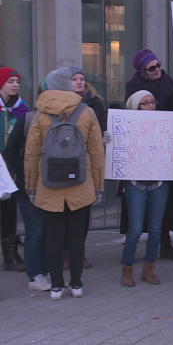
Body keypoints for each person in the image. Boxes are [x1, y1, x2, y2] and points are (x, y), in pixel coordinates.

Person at [24, 67, 105, 301]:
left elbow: (31, 154)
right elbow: (96, 151)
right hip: (81, 182)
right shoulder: (86, 112)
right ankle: (77, 284)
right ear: (68, 85)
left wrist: (31, 186)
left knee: (53, 237)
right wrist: (98, 184)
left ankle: (57, 285)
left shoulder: (40, 114)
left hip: (48, 184)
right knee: (76, 237)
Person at [124, 49, 173, 262]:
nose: (157, 70)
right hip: (142, 150)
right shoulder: (133, 87)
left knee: (166, 200)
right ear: (143, 71)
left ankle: (165, 243)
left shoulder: (169, 83)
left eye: (158, 65)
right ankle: (131, 256)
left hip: (165, 146)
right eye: (152, 68)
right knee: (140, 203)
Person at [115, 90, 170, 287]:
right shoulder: (127, 127)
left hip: (159, 182)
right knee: (136, 228)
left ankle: (149, 268)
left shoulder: (164, 124)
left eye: (152, 102)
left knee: (156, 229)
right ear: (136, 107)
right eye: (145, 103)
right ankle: (127, 268)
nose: (151, 106)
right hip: (135, 183)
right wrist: (110, 140)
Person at [4, 83, 48, 290]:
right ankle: (35, 275)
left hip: (51, 185)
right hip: (26, 186)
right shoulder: (27, 119)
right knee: (35, 230)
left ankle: (48, 271)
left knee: (49, 230)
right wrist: (23, 173)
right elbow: (10, 151)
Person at [68, 67, 108, 270]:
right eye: (74, 79)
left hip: (87, 162)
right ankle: (65, 253)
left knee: (83, 212)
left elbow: (99, 131)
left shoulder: (94, 103)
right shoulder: (61, 103)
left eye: (81, 78)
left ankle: (79, 253)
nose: (78, 82)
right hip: (64, 161)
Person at [0, 66, 28, 272]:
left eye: (17, 81)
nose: (15, 85)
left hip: (11, 169)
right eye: (10, 82)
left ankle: (9, 254)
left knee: (9, 211)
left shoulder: (22, 109)